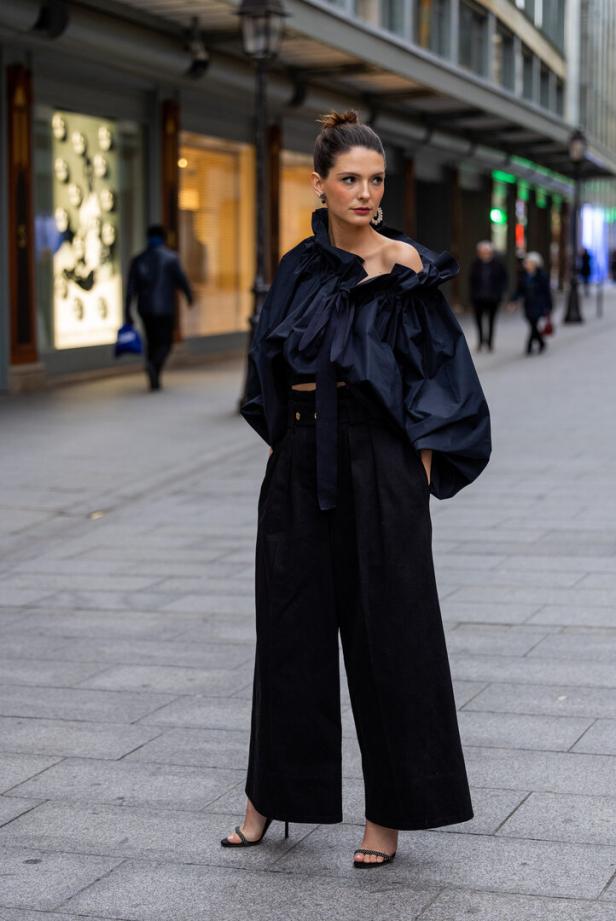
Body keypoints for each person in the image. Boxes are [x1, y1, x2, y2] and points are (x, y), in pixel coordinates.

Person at [222, 110, 491, 868]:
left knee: (389, 637)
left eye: (375, 179)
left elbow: (446, 376)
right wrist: (295, 449)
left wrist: (418, 469)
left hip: (381, 463)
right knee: (288, 631)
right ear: (320, 183)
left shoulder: (407, 268)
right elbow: (264, 372)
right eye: (350, 179)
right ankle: (267, 799)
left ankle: (389, 817)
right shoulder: (299, 266)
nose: (365, 192)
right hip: (301, 459)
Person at [125, 224, 193, 390]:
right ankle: (154, 365)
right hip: (164, 308)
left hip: (145, 308)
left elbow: (130, 289)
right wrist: (189, 296)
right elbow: (181, 280)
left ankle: (153, 372)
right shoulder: (170, 258)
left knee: (152, 340)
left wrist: (127, 311)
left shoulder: (138, 259)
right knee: (166, 342)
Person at [508, 251, 552, 355]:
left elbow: (547, 292)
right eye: (527, 263)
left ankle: (529, 346)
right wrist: (513, 301)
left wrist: (549, 306)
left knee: (534, 325)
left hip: (539, 304)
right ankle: (541, 343)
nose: (527, 265)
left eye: (529, 263)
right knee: (533, 325)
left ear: (535, 264)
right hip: (528, 304)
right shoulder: (524, 276)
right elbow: (519, 291)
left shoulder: (542, 276)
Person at [468, 240, 508, 351]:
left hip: (493, 298)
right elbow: (471, 281)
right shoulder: (475, 264)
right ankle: (480, 342)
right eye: (482, 251)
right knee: (478, 321)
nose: (484, 253)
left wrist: (500, 294)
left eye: (487, 251)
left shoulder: (498, 264)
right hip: (478, 298)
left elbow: (503, 280)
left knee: (491, 321)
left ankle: (490, 343)